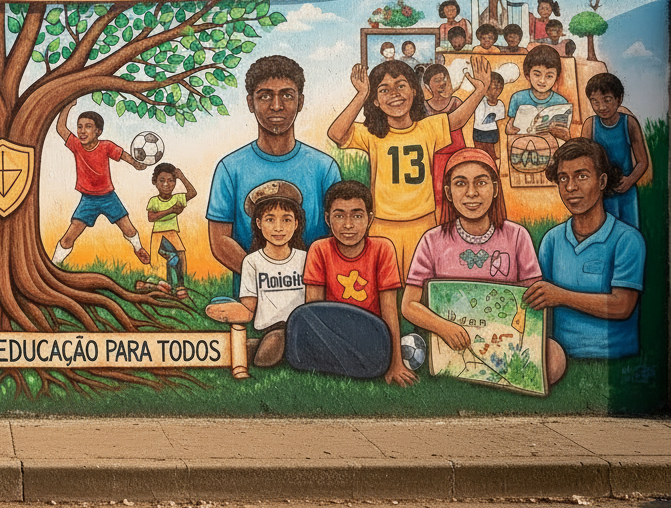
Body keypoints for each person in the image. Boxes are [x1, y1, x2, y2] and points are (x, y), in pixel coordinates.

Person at [400, 148, 567, 386]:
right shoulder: (432, 240)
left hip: (502, 340)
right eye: (460, 183)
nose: (471, 193)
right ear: (448, 192)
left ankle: (492, 372)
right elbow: (409, 306)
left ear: (496, 189)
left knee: (554, 356)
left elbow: (530, 303)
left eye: (481, 182)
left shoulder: (517, 236)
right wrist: (444, 328)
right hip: (451, 341)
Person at [328, 56, 490, 278]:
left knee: (422, 287)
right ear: (375, 100)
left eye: (401, 86)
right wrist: (361, 94)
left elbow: (457, 119)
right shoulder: (372, 133)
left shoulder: (428, 127)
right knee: (386, 289)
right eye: (384, 90)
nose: (394, 94)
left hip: (423, 223)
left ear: (415, 91)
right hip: (383, 226)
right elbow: (336, 134)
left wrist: (480, 90)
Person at [208, 56, 340, 297]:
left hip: (314, 297)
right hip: (253, 302)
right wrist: (265, 278)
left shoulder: (325, 168)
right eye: (265, 96)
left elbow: (339, 237)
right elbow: (220, 242)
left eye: (287, 95)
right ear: (250, 102)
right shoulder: (230, 168)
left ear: (300, 102)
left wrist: (305, 281)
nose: (276, 106)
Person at [525, 139, 645, 359]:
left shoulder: (627, 239)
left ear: (601, 181)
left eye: (581, 176)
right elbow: (540, 302)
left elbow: (622, 306)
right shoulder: (551, 240)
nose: (570, 187)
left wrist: (561, 296)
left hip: (613, 357)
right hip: (560, 356)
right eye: (563, 178)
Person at [300, 181, 416, 386]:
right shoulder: (319, 250)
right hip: (333, 334)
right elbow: (313, 313)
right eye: (339, 215)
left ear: (369, 219)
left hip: (370, 334)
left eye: (357, 215)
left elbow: (389, 309)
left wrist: (396, 363)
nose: (348, 225)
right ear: (327, 219)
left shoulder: (383, 248)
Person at [208, 180, 308, 371]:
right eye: (270, 219)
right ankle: (264, 348)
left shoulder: (305, 258)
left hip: (301, 325)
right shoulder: (252, 262)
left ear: (296, 223)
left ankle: (265, 348)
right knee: (267, 352)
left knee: (274, 349)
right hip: (271, 328)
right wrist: (227, 311)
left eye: (286, 219)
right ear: (259, 223)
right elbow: (249, 306)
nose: (278, 228)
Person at [50, 102, 150, 266]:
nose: (82, 131)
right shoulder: (76, 145)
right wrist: (67, 105)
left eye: (88, 126)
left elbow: (123, 154)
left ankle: (139, 249)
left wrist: (135, 163)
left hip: (109, 198)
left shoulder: (105, 146)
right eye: (80, 126)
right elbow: (61, 128)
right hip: (88, 200)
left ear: (98, 131)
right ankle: (53, 265)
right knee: (69, 236)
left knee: (130, 230)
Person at [580, 73, 648, 228]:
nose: (601, 107)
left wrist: (629, 181)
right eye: (595, 102)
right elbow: (584, 161)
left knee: (630, 232)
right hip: (600, 193)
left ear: (619, 99)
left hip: (626, 191)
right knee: (604, 233)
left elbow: (643, 162)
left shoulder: (629, 123)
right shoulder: (590, 126)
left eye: (607, 100)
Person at [139, 164, 196, 299]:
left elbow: (192, 193)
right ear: (155, 182)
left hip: (173, 234)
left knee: (181, 257)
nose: (166, 184)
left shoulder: (177, 198)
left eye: (171, 180)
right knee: (173, 257)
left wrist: (182, 177)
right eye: (162, 180)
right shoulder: (154, 201)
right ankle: (173, 286)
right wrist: (170, 210)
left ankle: (177, 286)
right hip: (160, 235)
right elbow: (151, 217)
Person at [421, 63, 467, 211]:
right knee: (438, 193)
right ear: (428, 86)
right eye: (436, 80)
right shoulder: (423, 107)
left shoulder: (456, 102)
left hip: (457, 153)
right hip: (436, 156)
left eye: (444, 79)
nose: (442, 84)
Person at [506, 45, 570, 142]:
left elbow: (564, 134)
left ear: (556, 78)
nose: (542, 80)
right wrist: (509, 130)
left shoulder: (561, 101)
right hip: (523, 144)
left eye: (549, 76)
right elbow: (510, 126)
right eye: (537, 74)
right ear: (527, 75)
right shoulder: (517, 98)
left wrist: (563, 134)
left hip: (550, 145)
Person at [473, 72, 506, 163]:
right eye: (494, 87)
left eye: (499, 87)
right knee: (481, 156)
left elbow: (501, 122)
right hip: (479, 133)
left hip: (493, 134)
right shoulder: (481, 102)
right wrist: (492, 119)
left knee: (492, 156)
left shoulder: (500, 104)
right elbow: (480, 120)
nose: (497, 90)